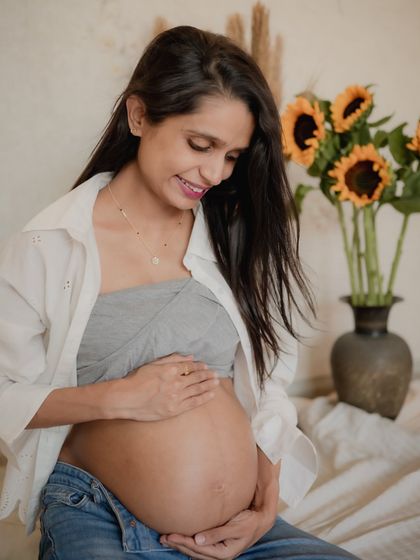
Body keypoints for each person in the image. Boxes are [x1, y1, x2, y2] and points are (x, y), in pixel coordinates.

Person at [0, 25, 359, 560]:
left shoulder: (233, 235)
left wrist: (266, 496)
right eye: (201, 144)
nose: (214, 173)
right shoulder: (50, 245)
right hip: (101, 513)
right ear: (139, 116)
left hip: (240, 530)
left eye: (232, 156)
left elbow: (268, 379)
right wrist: (119, 397)